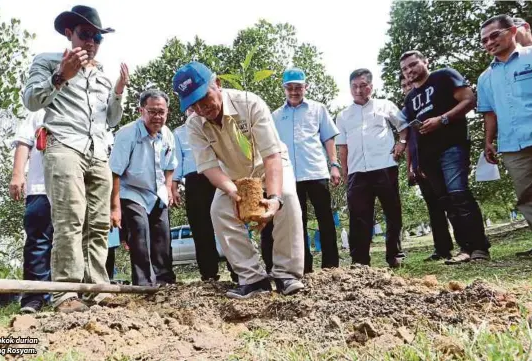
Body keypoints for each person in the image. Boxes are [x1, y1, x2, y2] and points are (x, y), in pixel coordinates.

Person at [22, 5, 129, 312]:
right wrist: (61, 76)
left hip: (97, 152)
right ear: (70, 34)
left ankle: (97, 288)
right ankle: (66, 293)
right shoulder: (46, 62)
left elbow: (111, 119)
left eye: (97, 37)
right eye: (85, 34)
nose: (92, 42)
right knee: (69, 220)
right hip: (64, 146)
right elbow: (31, 101)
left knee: (98, 225)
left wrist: (119, 93)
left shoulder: (102, 77)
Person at [172, 61, 304, 299]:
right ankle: (253, 278)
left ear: (218, 84)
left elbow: (272, 155)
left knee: (287, 198)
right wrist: (234, 192)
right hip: (234, 175)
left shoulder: (249, 103)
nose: (202, 109)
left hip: (268, 166)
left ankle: (287, 274)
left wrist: (273, 198)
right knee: (219, 210)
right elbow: (209, 167)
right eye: (194, 105)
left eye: (204, 98)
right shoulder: (195, 125)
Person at [400, 50, 490, 265]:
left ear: (425, 62)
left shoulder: (444, 76)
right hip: (428, 157)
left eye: (413, 65)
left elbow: (469, 100)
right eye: (404, 69)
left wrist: (443, 119)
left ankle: (479, 247)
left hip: (452, 146)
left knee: (459, 194)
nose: (409, 71)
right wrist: (417, 162)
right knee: (447, 202)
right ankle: (464, 248)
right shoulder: (410, 98)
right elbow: (411, 132)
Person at [263, 67, 341, 273]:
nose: (294, 92)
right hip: (289, 178)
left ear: (306, 87)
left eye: (298, 87)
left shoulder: (318, 109)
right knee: (297, 223)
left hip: (316, 172)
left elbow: (328, 138)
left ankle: (331, 266)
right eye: (290, 88)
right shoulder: (276, 116)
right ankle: (304, 267)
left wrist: (334, 165)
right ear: (284, 89)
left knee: (326, 219)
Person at [335, 68, 408, 268]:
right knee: (358, 216)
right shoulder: (343, 116)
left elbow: (403, 125)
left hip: (385, 166)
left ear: (371, 86)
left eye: (363, 86)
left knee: (392, 212)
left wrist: (401, 143)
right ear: (350, 88)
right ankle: (360, 261)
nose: (359, 90)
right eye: (354, 86)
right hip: (358, 172)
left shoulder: (385, 105)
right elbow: (343, 146)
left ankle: (395, 255)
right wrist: (345, 171)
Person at [109, 89, 177, 286]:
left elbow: (170, 165)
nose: (157, 117)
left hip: (157, 192)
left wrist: (169, 188)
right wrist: (115, 208)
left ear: (167, 113)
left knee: (162, 234)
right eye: (152, 112)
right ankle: (143, 283)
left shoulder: (167, 135)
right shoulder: (127, 134)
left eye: (161, 112)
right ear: (141, 111)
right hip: (131, 191)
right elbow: (115, 172)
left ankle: (164, 280)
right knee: (139, 229)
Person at [477, 14, 532, 257]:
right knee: (526, 197)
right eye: (484, 40)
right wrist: (488, 141)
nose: (489, 42)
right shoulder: (485, 78)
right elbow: (489, 113)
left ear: (511, 31)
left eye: (494, 35)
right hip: (512, 145)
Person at [172, 111, 238, 282]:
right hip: (195, 180)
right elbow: (177, 161)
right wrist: (174, 185)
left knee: (229, 224)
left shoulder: (216, 125)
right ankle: (208, 274)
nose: (193, 111)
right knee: (201, 229)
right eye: (190, 108)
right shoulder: (179, 133)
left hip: (221, 177)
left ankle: (238, 271)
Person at [401, 74, 454, 261]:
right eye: (404, 85)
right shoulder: (406, 113)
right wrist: (410, 167)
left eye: (409, 83)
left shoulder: (430, 103)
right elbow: (407, 143)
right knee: (433, 206)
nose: (408, 87)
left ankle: (470, 243)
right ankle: (442, 248)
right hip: (419, 164)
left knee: (452, 199)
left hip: (438, 159)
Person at [9, 109, 53, 314]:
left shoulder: (82, 108)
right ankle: (34, 297)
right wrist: (18, 174)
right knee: (38, 241)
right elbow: (23, 142)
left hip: (73, 191)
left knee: (71, 242)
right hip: (40, 187)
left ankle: (65, 294)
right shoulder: (39, 113)